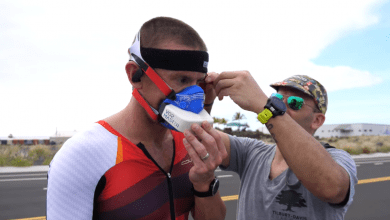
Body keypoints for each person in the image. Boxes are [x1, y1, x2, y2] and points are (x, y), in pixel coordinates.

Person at [46, 17, 227, 220]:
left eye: (199, 82)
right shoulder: (82, 156)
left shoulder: (189, 143)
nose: (194, 95)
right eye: (182, 80)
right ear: (135, 75)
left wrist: (205, 182)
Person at [184, 72, 357, 219]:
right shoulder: (252, 152)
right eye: (277, 99)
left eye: (295, 103)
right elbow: (200, 135)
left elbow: (331, 188)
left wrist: (265, 106)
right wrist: (206, 101)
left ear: (317, 120)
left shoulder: (337, 159)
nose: (281, 106)